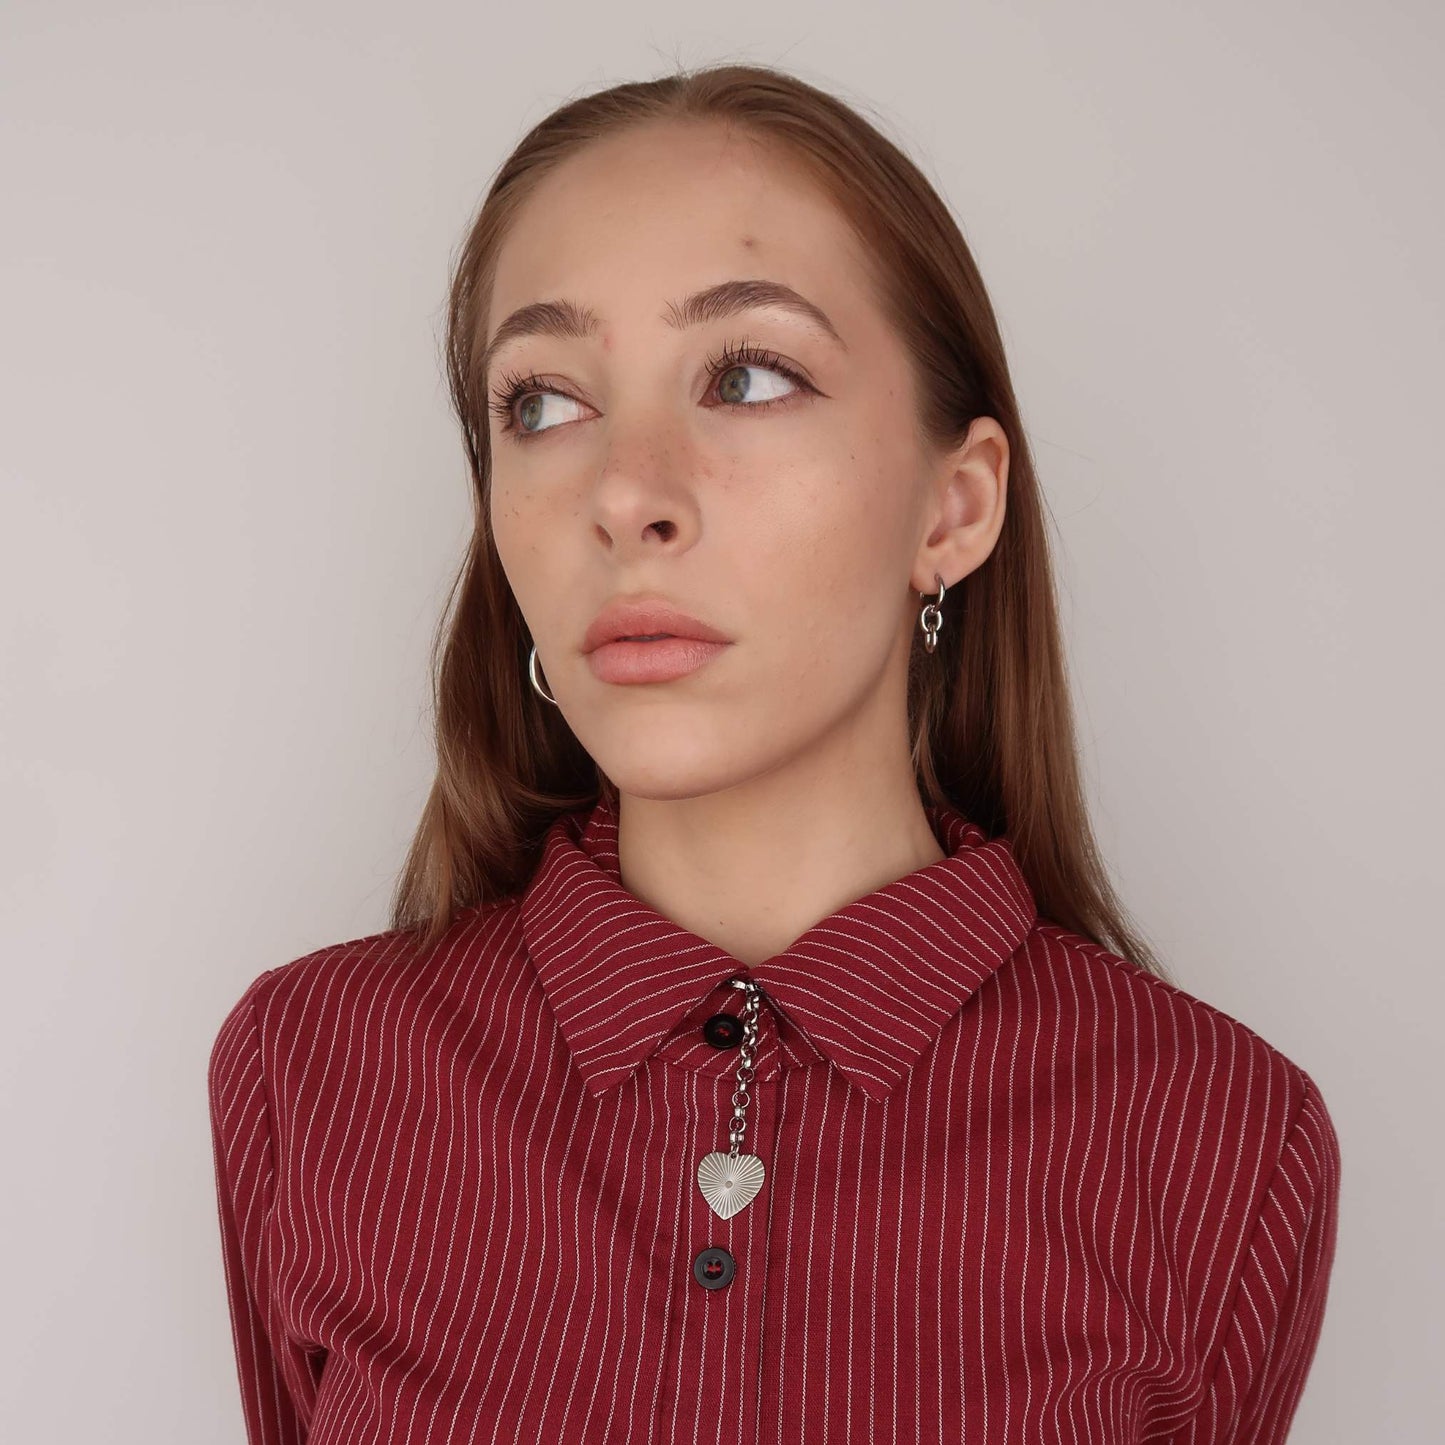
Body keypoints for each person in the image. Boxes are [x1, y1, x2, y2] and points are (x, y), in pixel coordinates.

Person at [207, 61, 1340, 1445]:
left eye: (745, 376)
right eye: (543, 402)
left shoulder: (1216, 1137)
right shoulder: (314, 1072)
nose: (625, 494)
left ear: (956, 504)